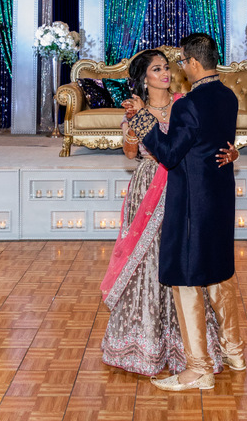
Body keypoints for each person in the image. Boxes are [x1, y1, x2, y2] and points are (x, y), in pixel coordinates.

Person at [100, 48, 238, 376]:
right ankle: (147, 343)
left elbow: (198, 145)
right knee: (147, 264)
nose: (165, 73)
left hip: (181, 189)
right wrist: (134, 129)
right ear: (143, 79)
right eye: (157, 69)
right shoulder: (135, 111)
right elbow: (133, 153)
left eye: (166, 68)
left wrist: (232, 154)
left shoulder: (184, 103)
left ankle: (190, 349)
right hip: (148, 188)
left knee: (186, 266)